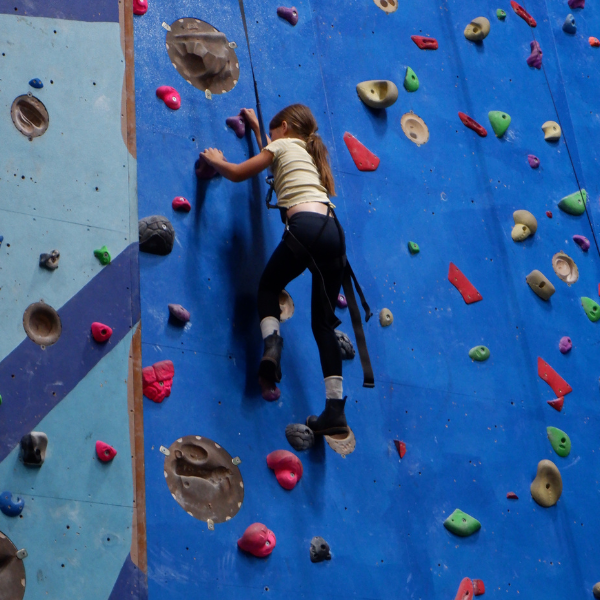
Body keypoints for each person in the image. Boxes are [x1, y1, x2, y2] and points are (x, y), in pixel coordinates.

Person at [200, 104, 350, 436]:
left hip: (305, 228)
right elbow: (275, 150)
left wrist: (215, 160)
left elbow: (240, 172)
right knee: (324, 326)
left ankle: (272, 346)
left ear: (282, 127)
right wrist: (257, 129)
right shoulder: (309, 155)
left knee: (268, 288)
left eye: (271, 131)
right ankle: (335, 411)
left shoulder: (281, 145)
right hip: (333, 232)